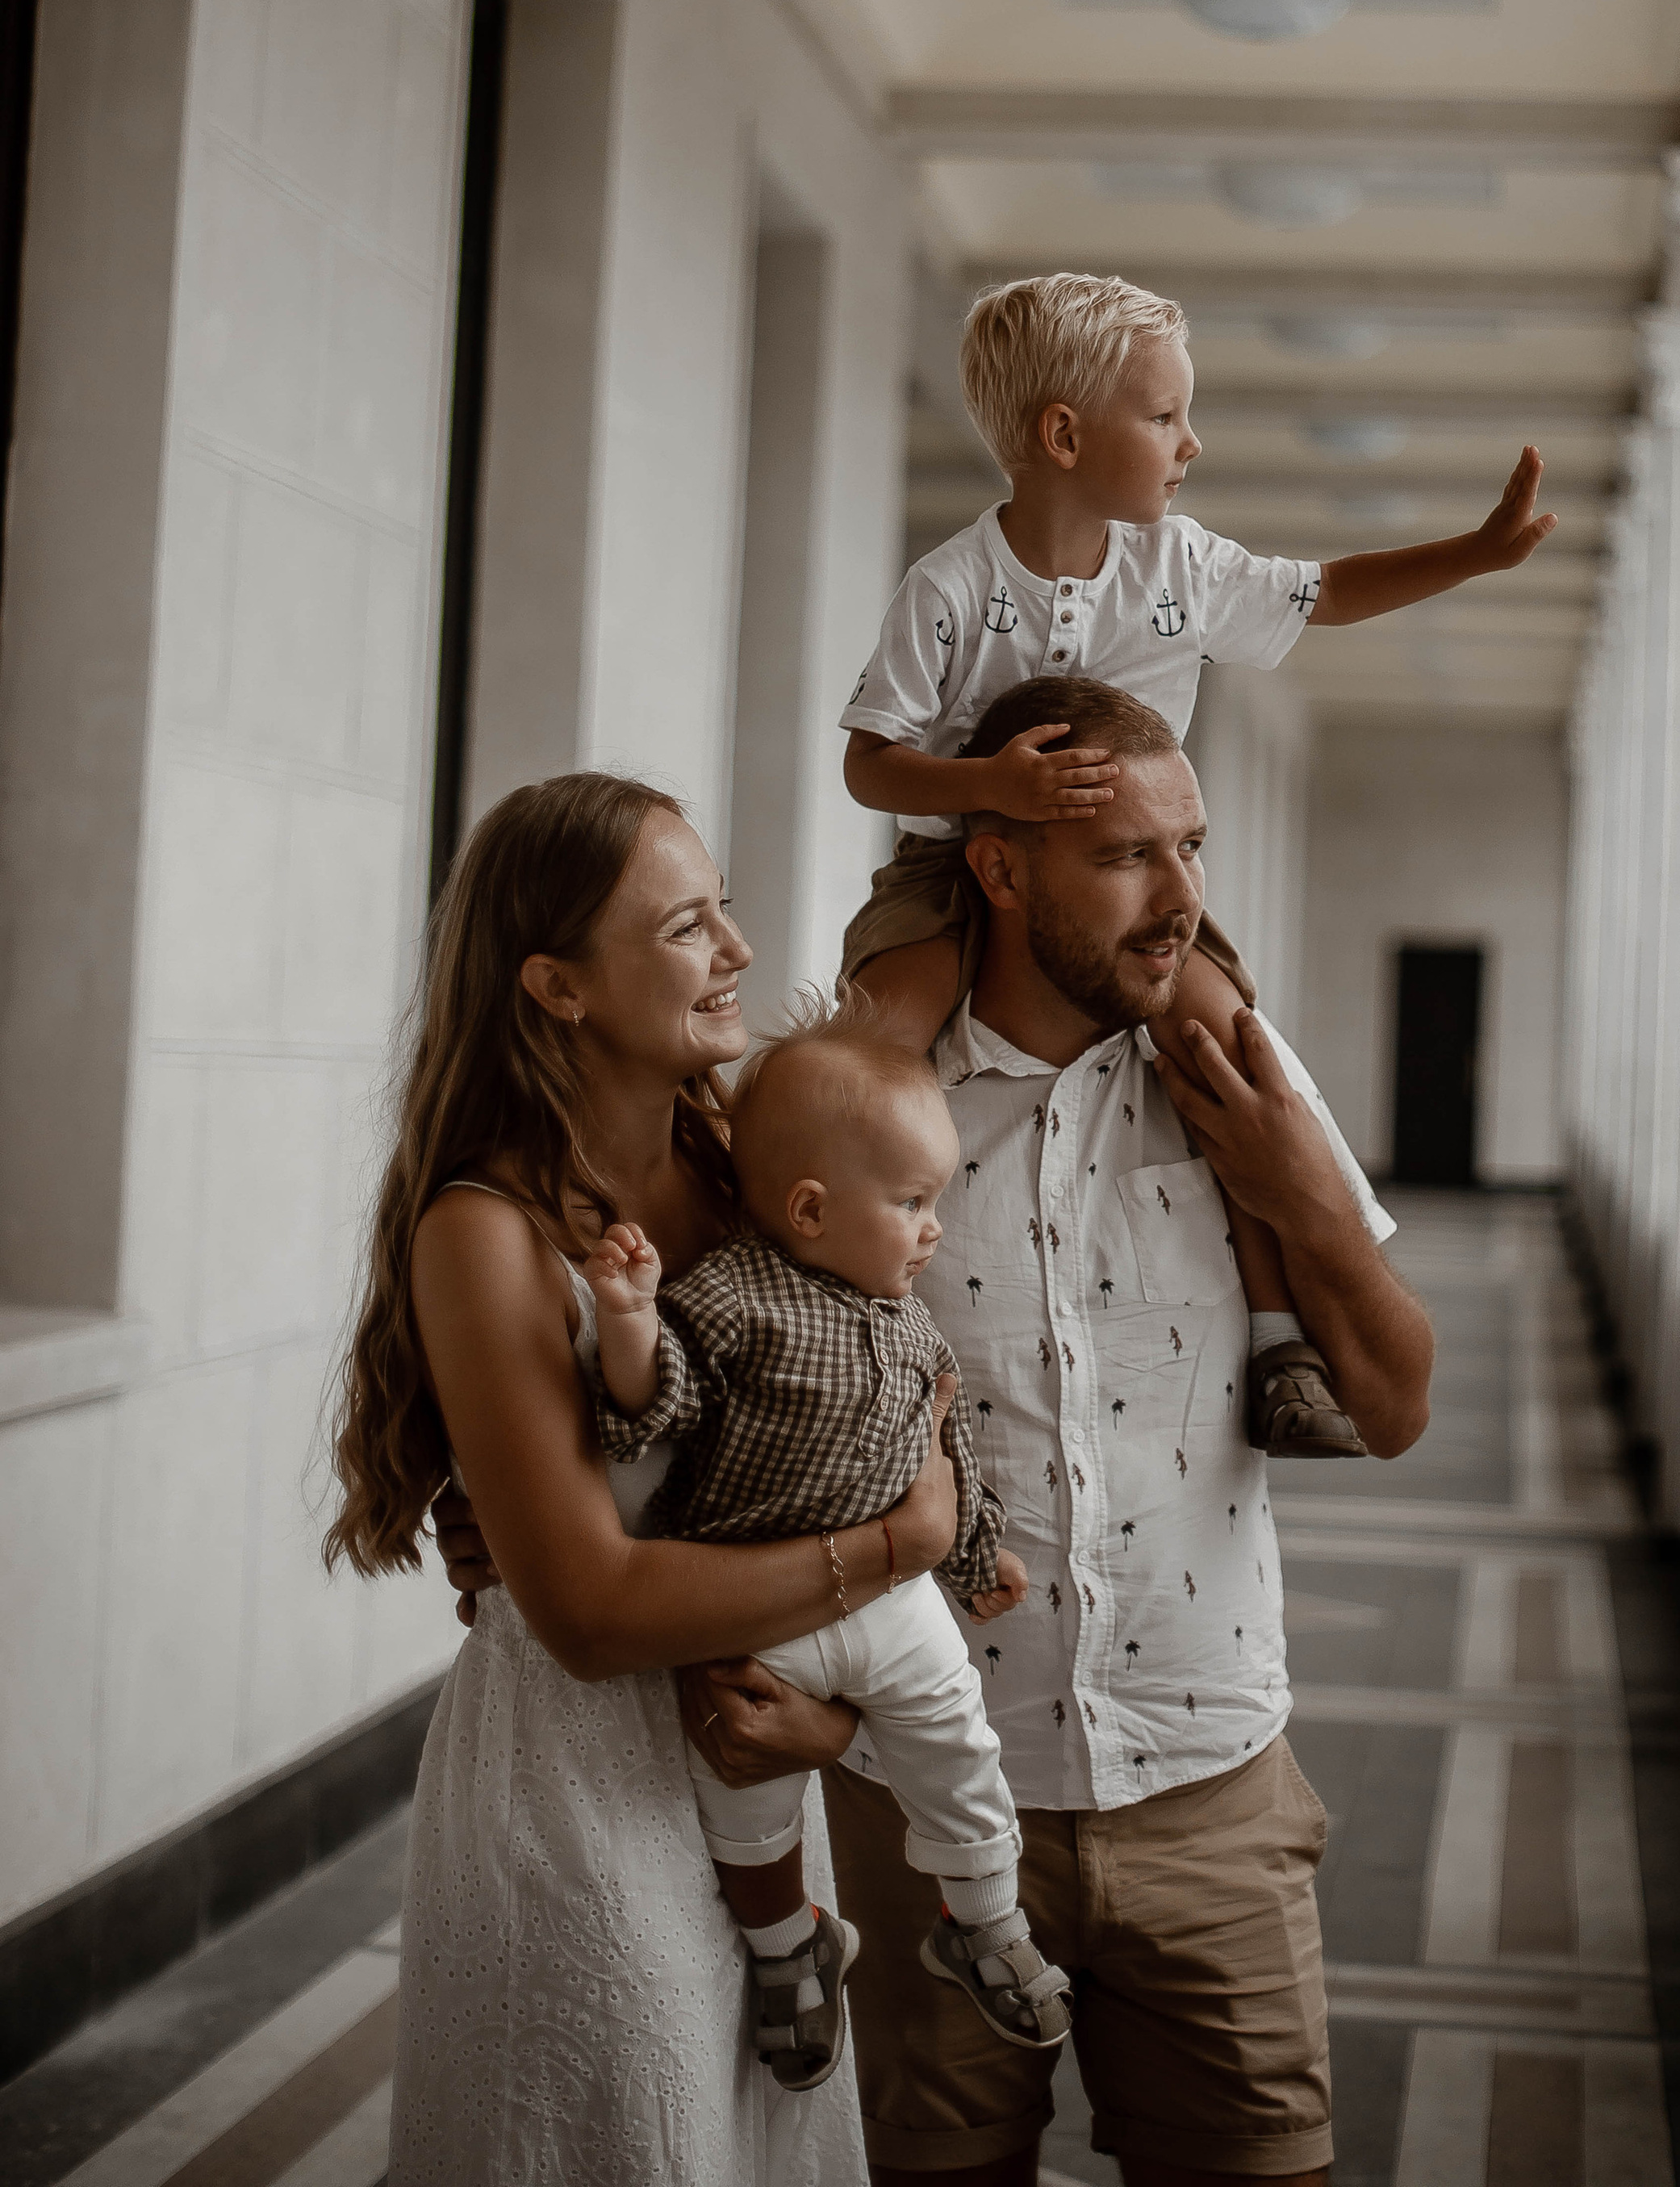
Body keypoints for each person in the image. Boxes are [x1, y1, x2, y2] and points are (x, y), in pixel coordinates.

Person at [433, 683, 1437, 2187]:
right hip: (905, 1797)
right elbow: (690, 1470)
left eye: (1194, 849)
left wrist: (1302, 1189)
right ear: (1003, 868)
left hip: (1211, 1786)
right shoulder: (826, 1136)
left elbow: (1398, 1404)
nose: (1184, 904)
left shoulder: (1234, 1084)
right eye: (1128, 857)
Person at [327, 770, 963, 2187]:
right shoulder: (485, 1234)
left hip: (749, 1764)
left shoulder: (748, 1170)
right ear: (556, 985)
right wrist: (900, 1541)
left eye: (725, 907)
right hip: (574, 1800)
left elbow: (884, 1377)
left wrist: (835, 1715)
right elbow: (595, 1613)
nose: (737, 950)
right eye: (687, 926)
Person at [838, 269, 1548, 1458]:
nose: (1192, 443)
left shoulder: (1184, 570)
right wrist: (987, 793)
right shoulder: (952, 589)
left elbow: (1326, 592)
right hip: (953, 865)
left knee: (1228, 1050)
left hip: (1125, 891)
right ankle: (829, 1295)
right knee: (865, 1059)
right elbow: (872, 763)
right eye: (1164, 416)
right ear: (1064, 435)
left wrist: (1474, 553)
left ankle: (1281, 1343)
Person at [578, 1006, 1072, 2076]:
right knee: (740, 1776)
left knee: (959, 1745)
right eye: (911, 1204)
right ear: (810, 1208)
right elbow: (654, 1413)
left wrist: (980, 1556)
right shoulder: (733, 1302)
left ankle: (984, 1920)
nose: (934, 1229)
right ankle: (786, 1946)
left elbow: (951, 1445)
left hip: (894, 1605)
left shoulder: (912, 1322)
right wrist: (627, 1323)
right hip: (760, 1595)